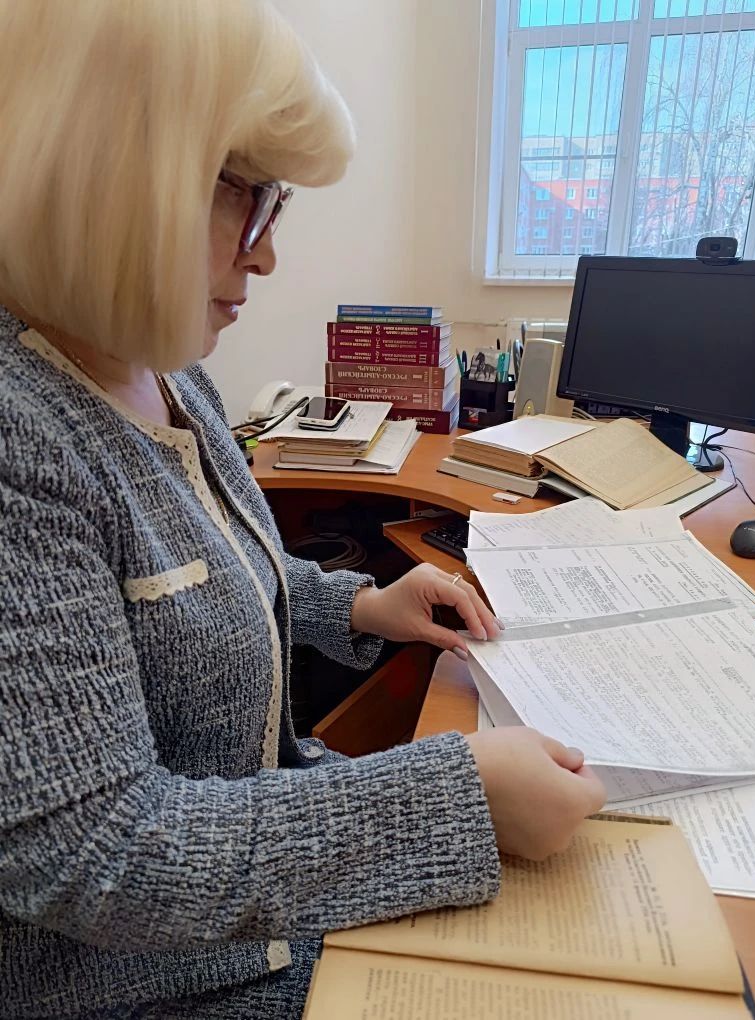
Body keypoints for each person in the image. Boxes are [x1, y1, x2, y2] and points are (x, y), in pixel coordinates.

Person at [0, 2, 606, 1017]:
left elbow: (198, 574)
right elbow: (97, 854)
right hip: (155, 981)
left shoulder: (166, 370)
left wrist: (356, 605)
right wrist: (457, 796)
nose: (267, 256)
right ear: (116, 174)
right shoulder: (21, 435)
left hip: (269, 897)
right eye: (250, 197)